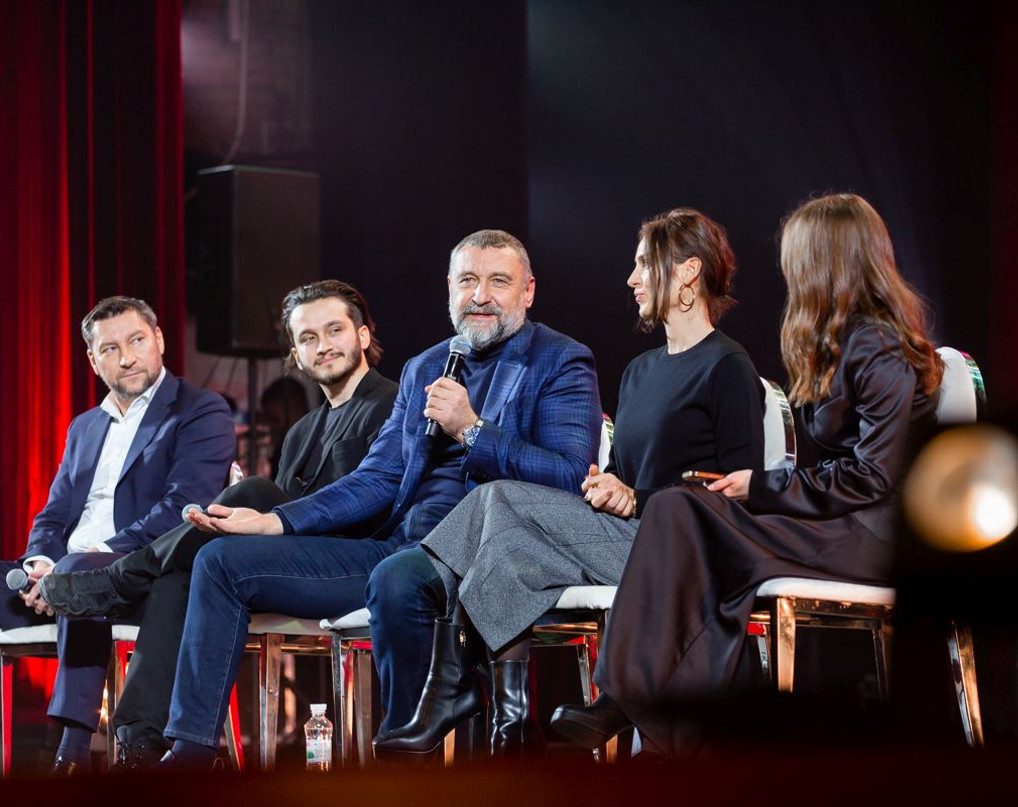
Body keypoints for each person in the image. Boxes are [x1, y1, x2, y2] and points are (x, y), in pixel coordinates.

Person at [160, 229, 602, 767]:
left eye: (498, 282)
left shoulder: (560, 359)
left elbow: (566, 476)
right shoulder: (426, 367)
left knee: (397, 579)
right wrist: (273, 521)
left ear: (527, 291)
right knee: (220, 561)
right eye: (468, 281)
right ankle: (189, 755)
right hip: (398, 545)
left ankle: (405, 769)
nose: (480, 296)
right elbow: (377, 478)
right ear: (449, 288)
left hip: (484, 552)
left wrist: (471, 429)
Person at [551, 193, 944, 758]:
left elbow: (871, 479)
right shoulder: (842, 343)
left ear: (829, 260)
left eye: (797, 258)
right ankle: (664, 724)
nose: (791, 273)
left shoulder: (878, 344)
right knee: (681, 510)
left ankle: (632, 704)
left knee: (692, 522)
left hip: (873, 536)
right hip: (839, 522)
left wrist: (760, 486)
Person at [373, 208, 765, 759]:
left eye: (643, 265)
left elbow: (738, 496)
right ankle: (510, 730)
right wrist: (609, 485)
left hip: (684, 550)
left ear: (687, 272)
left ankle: (452, 687)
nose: (631, 279)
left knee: (496, 495)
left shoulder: (727, 365)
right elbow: (621, 473)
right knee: (507, 546)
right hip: (626, 535)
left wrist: (638, 498)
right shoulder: (640, 371)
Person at [39, 280, 399, 767]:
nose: (323, 346)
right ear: (295, 354)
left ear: (362, 335)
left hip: (363, 561)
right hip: (296, 564)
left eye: (334, 331)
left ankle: (123, 576)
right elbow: (283, 519)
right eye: (308, 338)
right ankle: (142, 743)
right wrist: (244, 516)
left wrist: (258, 508)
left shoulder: (391, 406)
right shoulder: (301, 432)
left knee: (251, 495)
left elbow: (368, 499)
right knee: (183, 573)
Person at [0, 296, 235, 777]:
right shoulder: (85, 426)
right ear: (93, 360)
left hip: (140, 580)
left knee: (78, 573)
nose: (127, 357)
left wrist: (84, 564)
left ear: (159, 340)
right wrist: (39, 564)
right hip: (63, 575)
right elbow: (53, 514)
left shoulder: (199, 411)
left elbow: (182, 509)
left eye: (137, 340)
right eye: (111, 349)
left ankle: (71, 758)